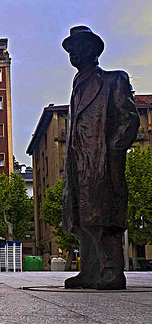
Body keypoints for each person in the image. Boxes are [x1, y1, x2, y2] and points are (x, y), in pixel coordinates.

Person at [61, 26, 139, 290]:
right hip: (78, 165)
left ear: (92, 49)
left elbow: (128, 120)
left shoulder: (113, 80)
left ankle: (111, 270)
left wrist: (112, 152)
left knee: (103, 218)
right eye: (70, 50)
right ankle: (91, 270)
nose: (72, 53)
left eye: (77, 47)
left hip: (101, 161)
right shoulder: (76, 87)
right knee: (81, 218)